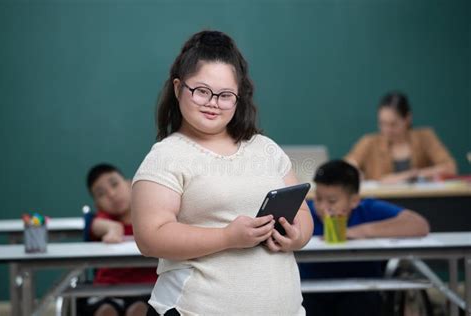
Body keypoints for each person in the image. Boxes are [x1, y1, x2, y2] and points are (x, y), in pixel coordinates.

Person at [131, 30, 314, 316]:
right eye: (202, 91)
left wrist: (297, 236)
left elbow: (302, 210)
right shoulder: (166, 156)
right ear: (179, 88)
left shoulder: (264, 148)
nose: (213, 102)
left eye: (226, 95)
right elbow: (150, 237)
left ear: (239, 98)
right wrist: (228, 237)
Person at [300, 160, 430, 316]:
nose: (322, 207)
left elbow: (419, 225)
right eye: (318, 199)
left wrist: (360, 231)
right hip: (311, 290)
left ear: (354, 200)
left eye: (332, 201)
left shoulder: (368, 209)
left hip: (361, 289)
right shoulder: (305, 212)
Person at [78, 163, 157, 316]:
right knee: (106, 311)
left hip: (148, 288)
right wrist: (112, 228)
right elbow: (94, 224)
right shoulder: (102, 219)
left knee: (140, 310)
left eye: (115, 184)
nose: (112, 194)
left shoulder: (152, 215)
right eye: (101, 194)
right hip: (108, 290)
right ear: (97, 205)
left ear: (129, 184)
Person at [345, 91, 457, 183]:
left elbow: (449, 167)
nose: (387, 130)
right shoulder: (369, 142)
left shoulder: (425, 137)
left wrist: (409, 176)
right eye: (382, 123)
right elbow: (346, 167)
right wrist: (352, 172)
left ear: (407, 119)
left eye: (393, 124)